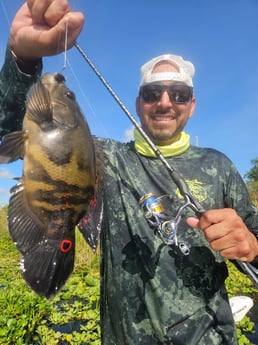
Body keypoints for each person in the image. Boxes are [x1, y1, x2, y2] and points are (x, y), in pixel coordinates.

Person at [0, 1, 258, 344]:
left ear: (191, 105)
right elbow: (12, 131)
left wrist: (252, 244)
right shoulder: (104, 156)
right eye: (153, 92)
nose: (165, 101)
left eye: (179, 94)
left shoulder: (221, 166)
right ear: (139, 102)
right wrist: (23, 59)